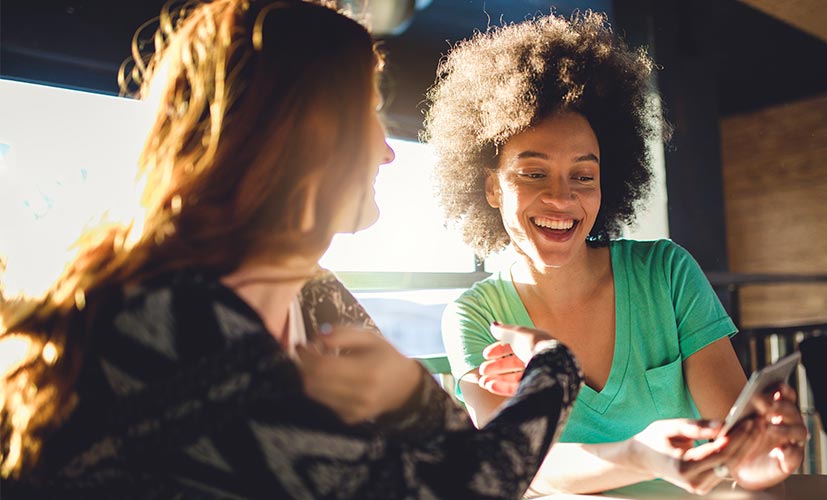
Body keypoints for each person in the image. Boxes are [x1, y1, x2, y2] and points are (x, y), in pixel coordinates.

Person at [0, 1, 582, 498]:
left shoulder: (312, 292)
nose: (388, 153)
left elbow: (447, 461)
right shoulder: (172, 323)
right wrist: (555, 363)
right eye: (370, 118)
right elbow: (462, 489)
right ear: (310, 137)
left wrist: (408, 396)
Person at [424, 11, 808, 496]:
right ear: (492, 188)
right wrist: (640, 455)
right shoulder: (475, 316)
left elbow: (733, 451)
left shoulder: (666, 275)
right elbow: (518, 464)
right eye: (534, 173)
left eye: (583, 176)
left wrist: (766, 458)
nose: (563, 199)